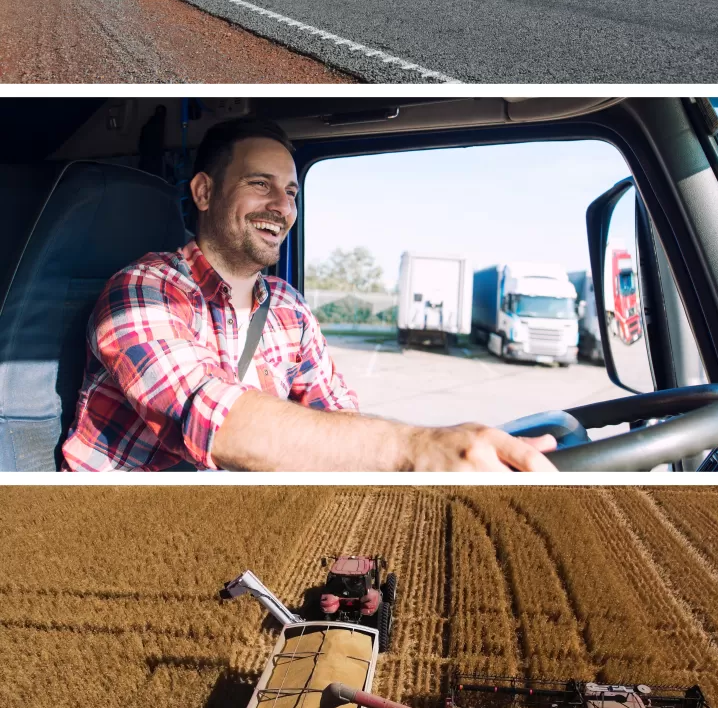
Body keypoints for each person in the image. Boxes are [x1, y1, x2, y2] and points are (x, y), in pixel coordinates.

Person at [62, 118, 556, 472]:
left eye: (292, 192)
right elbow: (211, 417)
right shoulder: (143, 291)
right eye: (260, 184)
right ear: (204, 193)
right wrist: (415, 449)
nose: (281, 207)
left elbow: (337, 415)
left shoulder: (289, 309)